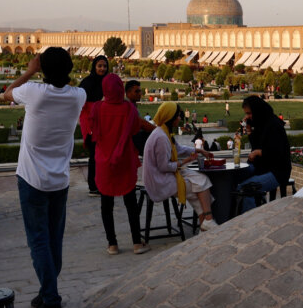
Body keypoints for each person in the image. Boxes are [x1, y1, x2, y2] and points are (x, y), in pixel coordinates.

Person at [1, 48, 86, 308]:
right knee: (53, 242)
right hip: (59, 180)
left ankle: (51, 301)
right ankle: (46, 290)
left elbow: (7, 93)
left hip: (32, 179)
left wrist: (29, 70)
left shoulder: (35, 92)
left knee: (39, 241)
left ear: (44, 69)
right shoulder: (78, 96)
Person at [90, 75, 144, 255]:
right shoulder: (128, 108)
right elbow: (135, 130)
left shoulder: (98, 108)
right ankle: (136, 243)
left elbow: (93, 131)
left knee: (107, 205)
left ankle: (112, 244)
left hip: (104, 161)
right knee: (131, 203)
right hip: (124, 160)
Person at [142, 102, 217, 231]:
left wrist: (199, 151)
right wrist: (185, 161)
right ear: (170, 117)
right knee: (202, 183)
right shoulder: (160, 137)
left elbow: (179, 148)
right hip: (159, 180)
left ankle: (205, 226)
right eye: (177, 116)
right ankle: (208, 220)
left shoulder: (164, 132)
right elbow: (164, 166)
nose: (180, 118)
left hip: (166, 175)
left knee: (199, 186)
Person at [235, 95, 291, 211]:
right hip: (262, 167)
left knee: (245, 188)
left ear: (257, 111)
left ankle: (250, 220)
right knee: (234, 179)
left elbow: (278, 152)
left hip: (277, 171)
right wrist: (249, 131)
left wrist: (259, 152)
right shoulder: (261, 123)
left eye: (249, 113)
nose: (247, 117)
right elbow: (256, 145)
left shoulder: (274, 125)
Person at [78, 56, 109, 196]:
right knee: (94, 156)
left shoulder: (108, 82)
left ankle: (104, 183)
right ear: (94, 67)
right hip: (91, 124)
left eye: (104, 66)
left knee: (104, 155)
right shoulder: (87, 83)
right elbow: (81, 106)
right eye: (99, 66)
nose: (102, 69)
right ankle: (93, 186)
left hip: (104, 124)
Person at [124, 80, 155, 155]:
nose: (140, 94)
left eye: (140, 91)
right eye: (137, 91)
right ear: (128, 93)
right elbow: (141, 123)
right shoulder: (128, 106)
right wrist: (158, 131)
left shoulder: (132, 105)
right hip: (132, 140)